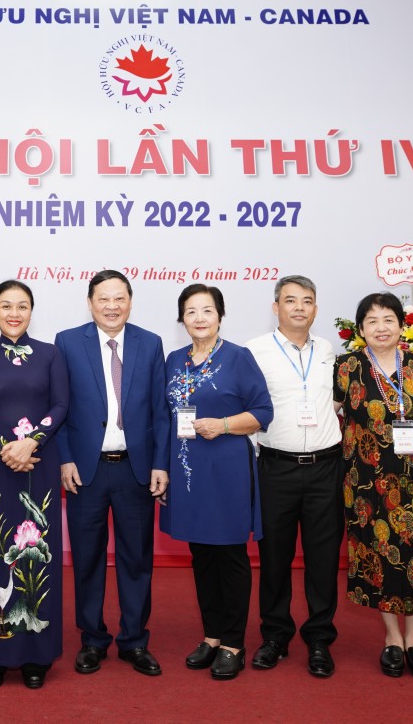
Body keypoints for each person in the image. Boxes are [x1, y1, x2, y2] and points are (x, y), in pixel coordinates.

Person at [55, 270, 170, 677]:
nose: (111, 306)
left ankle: (134, 640)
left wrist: (160, 463)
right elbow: (59, 406)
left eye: (119, 298)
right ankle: (92, 639)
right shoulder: (68, 342)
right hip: (85, 471)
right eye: (103, 298)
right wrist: (64, 458)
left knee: (136, 559)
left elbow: (160, 411)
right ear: (90, 303)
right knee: (87, 559)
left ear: (130, 302)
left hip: (135, 470)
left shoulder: (150, 343)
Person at [333, 292, 413, 681]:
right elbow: (330, 416)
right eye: (372, 321)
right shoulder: (347, 367)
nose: (380, 327)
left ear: (401, 325)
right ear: (360, 328)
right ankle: (392, 638)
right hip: (366, 482)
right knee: (379, 554)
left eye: (388, 319)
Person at [161, 284, 273, 681]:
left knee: (229, 556)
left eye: (207, 310)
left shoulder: (238, 357)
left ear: (220, 316)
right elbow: (165, 417)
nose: (199, 318)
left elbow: (263, 411)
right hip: (187, 470)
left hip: (227, 469)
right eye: (191, 311)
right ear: (182, 319)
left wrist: (223, 425)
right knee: (202, 555)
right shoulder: (173, 360)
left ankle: (233, 643)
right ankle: (211, 636)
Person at [0, 281, 70, 690]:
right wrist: (3, 446)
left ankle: (36, 656)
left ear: (31, 311)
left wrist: (31, 442)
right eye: (6, 306)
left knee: (36, 556)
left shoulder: (50, 354)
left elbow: (61, 405)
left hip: (38, 464)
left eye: (22, 306)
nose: (14, 313)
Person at [244, 275, 343, 678]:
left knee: (323, 559)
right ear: (276, 307)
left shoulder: (329, 350)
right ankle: (275, 636)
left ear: (315, 309)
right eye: (290, 300)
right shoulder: (254, 351)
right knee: (274, 558)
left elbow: (337, 400)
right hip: (276, 467)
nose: (299, 307)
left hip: (326, 467)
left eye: (307, 300)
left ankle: (319, 639)